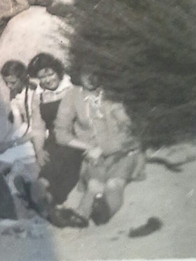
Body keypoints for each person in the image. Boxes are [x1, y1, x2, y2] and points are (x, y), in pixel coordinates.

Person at [55, 69, 144, 226]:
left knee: (114, 184)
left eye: (95, 73)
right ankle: (80, 216)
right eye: (85, 72)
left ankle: (104, 212)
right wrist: (88, 147)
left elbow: (128, 132)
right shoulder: (73, 96)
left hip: (121, 152)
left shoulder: (111, 95)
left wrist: (102, 149)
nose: (90, 78)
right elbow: (61, 134)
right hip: (94, 155)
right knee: (94, 184)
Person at [22, 53, 85, 225]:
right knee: (50, 159)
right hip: (55, 139)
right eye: (42, 77)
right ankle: (46, 201)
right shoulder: (40, 96)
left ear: (58, 71)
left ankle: (42, 195)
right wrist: (39, 151)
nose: (48, 80)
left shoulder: (72, 87)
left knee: (69, 164)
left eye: (50, 74)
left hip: (77, 137)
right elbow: (38, 127)